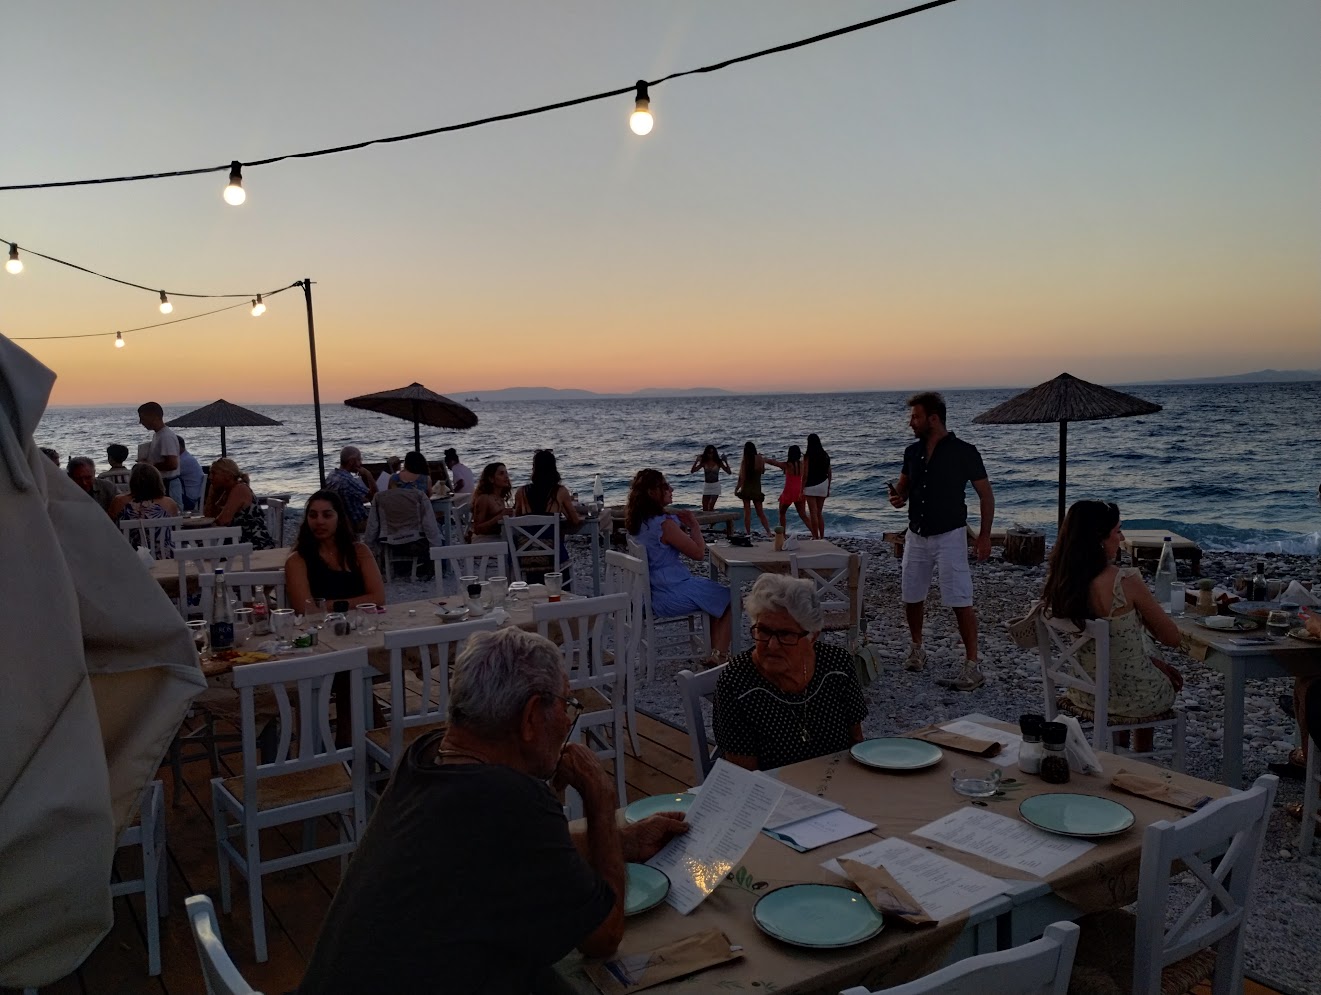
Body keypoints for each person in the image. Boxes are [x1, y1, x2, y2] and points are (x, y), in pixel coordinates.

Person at [296, 627, 688, 995]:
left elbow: (509, 854)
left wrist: (621, 841)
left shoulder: (426, 756)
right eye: (566, 704)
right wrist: (601, 801)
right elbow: (603, 936)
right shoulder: (510, 800)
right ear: (532, 716)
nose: (568, 719)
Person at [1040, 500, 1183, 752]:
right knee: (1149, 650)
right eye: (1117, 531)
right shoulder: (1124, 581)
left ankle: (1122, 750)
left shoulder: (1061, 582)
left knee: (1139, 649)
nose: (1122, 537)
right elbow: (1172, 637)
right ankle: (1142, 757)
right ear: (1099, 539)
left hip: (1083, 694)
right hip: (1133, 697)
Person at [888, 392, 995, 691]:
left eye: (916, 417)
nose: (911, 423)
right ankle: (917, 648)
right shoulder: (911, 452)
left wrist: (984, 536)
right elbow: (903, 490)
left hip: (950, 535)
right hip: (916, 534)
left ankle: (972, 665)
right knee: (911, 594)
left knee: (960, 598)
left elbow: (986, 495)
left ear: (933, 418)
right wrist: (896, 497)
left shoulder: (964, 451)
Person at [713, 574, 867, 771]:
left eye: (786, 634)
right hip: (770, 794)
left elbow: (857, 745)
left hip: (836, 782)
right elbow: (745, 776)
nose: (772, 645)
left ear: (812, 636)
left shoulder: (837, 666)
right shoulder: (735, 682)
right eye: (764, 631)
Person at [626, 469, 731, 664]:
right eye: (665, 486)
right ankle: (721, 656)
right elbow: (698, 554)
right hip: (668, 592)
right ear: (652, 492)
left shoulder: (639, 522)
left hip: (650, 592)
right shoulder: (665, 525)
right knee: (732, 598)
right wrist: (695, 526)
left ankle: (716, 653)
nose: (671, 488)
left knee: (713, 597)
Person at [284, 490, 386, 611]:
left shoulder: (359, 551)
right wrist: (360, 602)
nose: (319, 521)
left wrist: (328, 605)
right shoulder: (298, 560)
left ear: (340, 519)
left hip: (361, 624)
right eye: (313, 515)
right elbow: (305, 609)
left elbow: (378, 598)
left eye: (327, 515)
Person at [513, 449, 581, 585]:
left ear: (534, 468)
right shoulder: (560, 492)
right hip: (551, 556)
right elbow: (575, 521)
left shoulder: (521, 492)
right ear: (554, 468)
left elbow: (517, 520)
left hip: (525, 554)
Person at [109, 463, 180, 556]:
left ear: (133, 482)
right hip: (163, 556)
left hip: (129, 557)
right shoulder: (168, 503)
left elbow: (109, 528)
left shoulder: (119, 502)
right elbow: (174, 530)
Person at [204, 457, 275, 549]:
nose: (210, 477)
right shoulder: (226, 491)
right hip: (237, 542)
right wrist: (212, 493)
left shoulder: (239, 489)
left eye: (214, 473)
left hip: (254, 544)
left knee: (203, 550)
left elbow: (223, 520)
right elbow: (208, 516)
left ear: (227, 475)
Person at [136, 401, 184, 506]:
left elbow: (172, 464)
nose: (141, 422)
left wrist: (150, 466)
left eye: (143, 418)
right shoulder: (158, 435)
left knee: (171, 516)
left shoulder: (165, 436)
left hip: (168, 484)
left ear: (154, 417)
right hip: (163, 484)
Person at [324, 445, 377, 533]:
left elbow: (350, 495)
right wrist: (368, 475)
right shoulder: (348, 480)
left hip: (342, 519)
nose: (361, 463)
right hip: (357, 522)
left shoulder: (332, 475)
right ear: (352, 461)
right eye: (359, 460)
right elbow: (375, 496)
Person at [766, 444, 808, 533]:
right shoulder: (803, 464)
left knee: (782, 513)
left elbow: (774, 463)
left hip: (789, 491)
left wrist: (763, 459)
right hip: (799, 491)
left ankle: (783, 534)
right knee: (803, 515)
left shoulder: (787, 465)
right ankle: (815, 534)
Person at [734, 441, 773, 536]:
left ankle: (748, 532)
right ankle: (768, 531)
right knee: (760, 513)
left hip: (746, 489)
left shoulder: (745, 461)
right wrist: (762, 461)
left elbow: (741, 478)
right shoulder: (759, 459)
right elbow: (763, 471)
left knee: (747, 513)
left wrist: (736, 489)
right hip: (756, 488)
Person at [469, 461, 514, 539]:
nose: (506, 476)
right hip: (484, 540)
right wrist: (499, 517)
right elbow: (477, 529)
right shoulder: (484, 498)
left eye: (506, 473)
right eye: (501, 474)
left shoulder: (499, 497)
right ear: (491, 479)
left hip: (498, 536)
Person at [801, 433, 832, 540]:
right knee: (819, 513)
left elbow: (805, 474)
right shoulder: (825, 455)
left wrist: (801, 489)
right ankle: (822, 536)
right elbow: (829, 472)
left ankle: (815, 536)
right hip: (823, 484)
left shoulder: (807, 456)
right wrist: (828, 488)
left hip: (810, 486)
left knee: (813, 513)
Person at [689, 444, 731, 512]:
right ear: (706, 453)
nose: (710, 455)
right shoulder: (704, 462)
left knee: (710, 506)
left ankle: (712, 522)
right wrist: (696, 461)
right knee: (705, 507)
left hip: (715, 486)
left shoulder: (718, 462)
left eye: (712, 453)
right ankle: (709, 522)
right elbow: (693, 471)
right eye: (709, 453)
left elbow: (729, 472)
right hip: (707, 486)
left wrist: (725, 461)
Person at [176, 436, 205, 512]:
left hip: (189, 499)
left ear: (178, 446)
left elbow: (168, 474)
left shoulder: (184, 461)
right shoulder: (186, 458)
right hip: (192, 496)